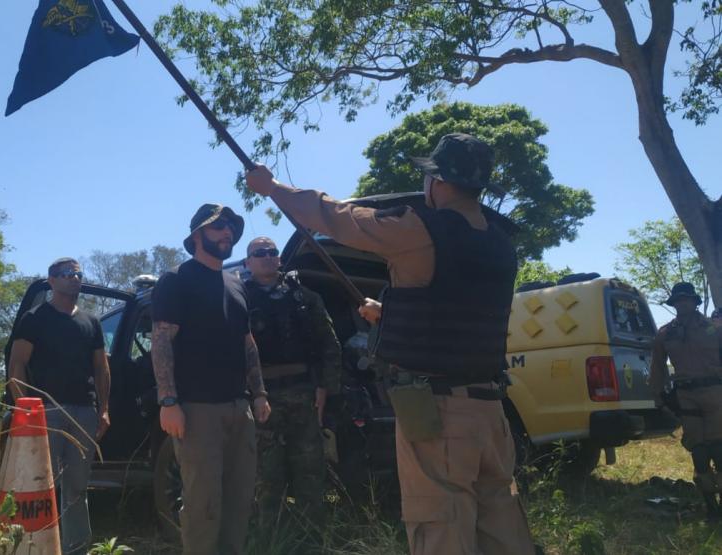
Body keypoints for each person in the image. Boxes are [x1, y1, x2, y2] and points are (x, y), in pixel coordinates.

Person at [246, 133, 535, 554]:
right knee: (499, 522)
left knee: (441, 524)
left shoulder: (423, 229)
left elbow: (338, 218)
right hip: (491, 411)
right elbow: (454, 309)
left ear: (437, 181)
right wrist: (389, 313)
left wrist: (272, 188)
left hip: (438, 413)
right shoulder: (500, 241)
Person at [151, 204, 272, 555]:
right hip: (196, 410)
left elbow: (247, 342)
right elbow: (161, 340)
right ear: (196, 235)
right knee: (204, 504)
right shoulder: (176, 280)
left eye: (231, 226)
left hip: (239, 408)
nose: (227, 232)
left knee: (239, 501)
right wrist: (168, 401)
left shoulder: (236, 284)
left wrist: (259, 393)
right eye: (218, 226)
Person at [8, 257, 111, 554]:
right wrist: (26, 410)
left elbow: (101, 368)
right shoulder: (35, 319)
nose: (74, 278)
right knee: (43, 485)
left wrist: (104, 409)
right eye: (66, 274)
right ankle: (37, 547)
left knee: (77, 488)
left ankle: (76, 548)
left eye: (78, 273)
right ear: (51, 281)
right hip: (46, 413)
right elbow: (17, 365)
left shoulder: (91, 322)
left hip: (84, 413)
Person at [243, 236, 342, 529]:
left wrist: (325, 387)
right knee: (266, 475)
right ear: (248, 262)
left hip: (305, 394)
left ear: (279, 258)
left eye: (271, 251)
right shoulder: (238, 300)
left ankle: (313, 539)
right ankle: (269, 541)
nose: (267, 256)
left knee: (310, 471)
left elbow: (329, 345)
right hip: (261, 398)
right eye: (259, 253)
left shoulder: (305, 297)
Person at [650, 282, 722, 518]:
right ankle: (711, 507)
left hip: (715, 394)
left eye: (686, 299)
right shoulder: (665, 334)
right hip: (686, 397)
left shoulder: (714, 329)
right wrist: (658, 398)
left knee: (719, 449)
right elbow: (657, 368)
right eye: (678, 300)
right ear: (674, 303)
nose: (682, 303)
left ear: (694, 302)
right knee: (698, 451)